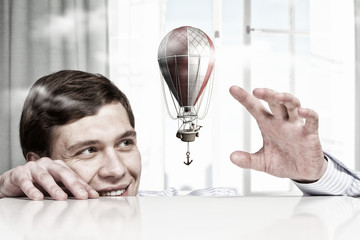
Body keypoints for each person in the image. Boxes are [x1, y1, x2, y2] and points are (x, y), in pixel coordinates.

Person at [0, 70, 359, 200]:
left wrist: (313, 173)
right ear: (39, 163)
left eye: (126, 143)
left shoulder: (204, 208)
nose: (116, 170)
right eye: (88, 150)